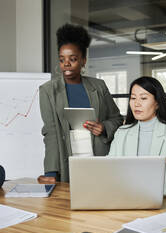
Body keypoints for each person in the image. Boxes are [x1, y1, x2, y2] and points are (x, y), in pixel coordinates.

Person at [38, 23, 123, 183]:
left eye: (73, 59)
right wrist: (51, 171)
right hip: (67, 156)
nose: (66, 64)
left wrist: (104, 127)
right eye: (62, 59)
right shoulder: (48, 91)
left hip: (98, 155)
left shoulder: (99, 86)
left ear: (83, 60)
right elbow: (51, 132)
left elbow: (117, 119)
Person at [109, 76, 166, 197]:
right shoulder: (121, 133)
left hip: (158, 203)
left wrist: (146, 188)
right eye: (133, 98)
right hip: (124, 200)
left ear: (157, 103)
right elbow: (109, 173)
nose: (136, 103)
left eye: (143, 98)